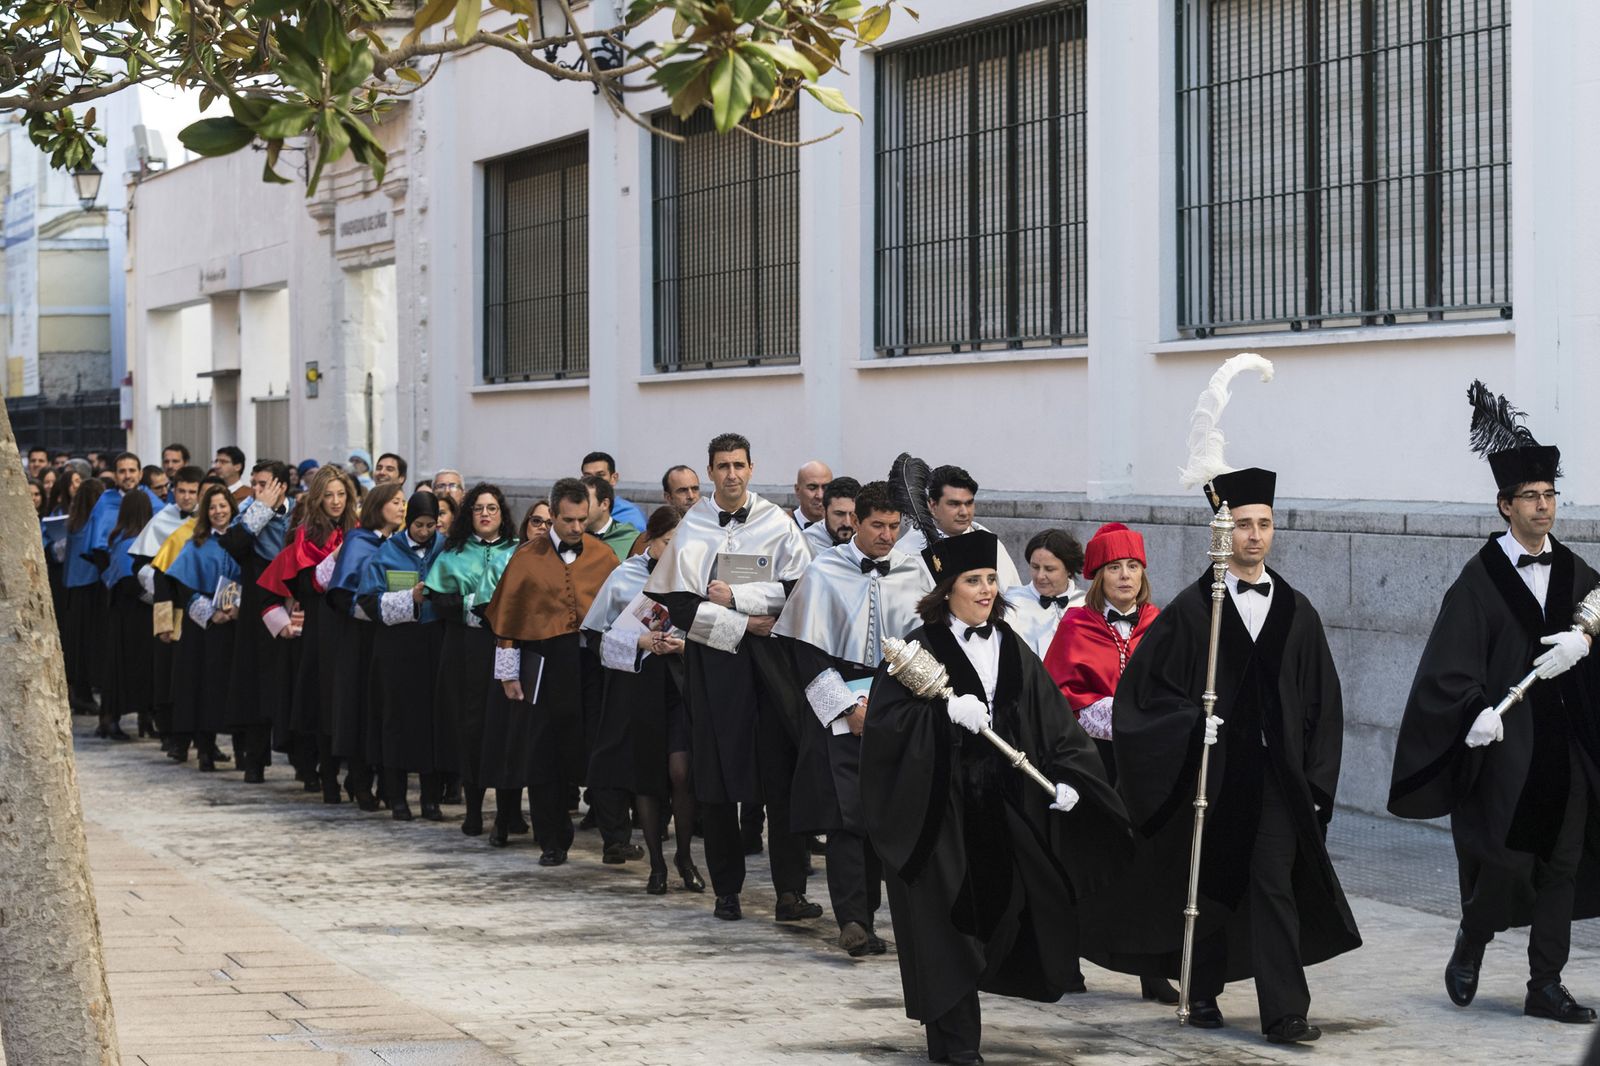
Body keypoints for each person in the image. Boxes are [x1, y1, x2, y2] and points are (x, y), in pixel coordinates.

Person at [1089, 459, 1359, 1044]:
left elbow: (1323, 705)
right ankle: (1202, 987)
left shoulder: (1298, 610)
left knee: (1274, 885)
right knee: (1209, 881)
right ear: (1222, 531)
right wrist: (1191, 724)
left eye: (1263, 523)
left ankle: (1285, 1010)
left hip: (1277, 779)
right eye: (1242, 524)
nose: (1254, 535)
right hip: (1210, 776)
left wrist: (1317, 783)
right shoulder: (1194, 609)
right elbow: (1143, 695)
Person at [860, 529, 1130, 1066]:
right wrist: (941, 716)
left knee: (1023, 903)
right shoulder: (918, 651)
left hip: (1008, 805)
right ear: (946, 590)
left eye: (990, 580)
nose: (985, 590)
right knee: (944, 926)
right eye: (972, 581)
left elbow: (1053, 722)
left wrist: (1073, 776)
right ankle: (956, 1042)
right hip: (941, 812)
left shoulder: (1012, 646)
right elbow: (886, 730)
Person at [1390, 381, 1600, 1024]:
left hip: (1565, 745)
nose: (1544, 507)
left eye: (1550, 496)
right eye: (1531, 498)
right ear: (1505, 505)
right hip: (1507, 744)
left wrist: (1584, 644)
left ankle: (1545, 984)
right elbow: (1448, 664)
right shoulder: (1479, 580)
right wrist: (1472, 709)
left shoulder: (1578, 575)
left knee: (1562, 864)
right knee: (1507, 864)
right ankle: (1474, 936)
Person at [644, 432, 819, 923]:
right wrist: (740, 624)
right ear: (710, 471)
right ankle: (727, 889)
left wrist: (741, 600)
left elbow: (800, 588)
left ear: (751, 467)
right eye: (722, 466)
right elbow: (675, 600)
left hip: (770, 667)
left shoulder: (778, 524)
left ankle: (790, 892)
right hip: (715, 666)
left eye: (739, 465)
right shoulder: (692, 525)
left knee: (780, 776)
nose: (732, 474)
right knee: (718, 778)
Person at [778, 480, 930, 956]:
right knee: (846, 818)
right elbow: (802, 647)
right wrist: (845, 707)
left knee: (886, 815)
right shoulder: (824, 570)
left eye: (894, 526)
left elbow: (928, 643)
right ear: (855, 523)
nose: (887, 536)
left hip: (898, 702)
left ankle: (880, 914)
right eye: (877, 526)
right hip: (840, 701)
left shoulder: (915, 572)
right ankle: (853, 919)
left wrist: (901, 704)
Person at [482, 479, 619, 865]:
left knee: (600, 746)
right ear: (553, 515)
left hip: (592, 663)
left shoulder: (603, 555)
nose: (577, 528)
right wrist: (508, 674)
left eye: (582, 520)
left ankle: (614, 836)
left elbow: (622, 608)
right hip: (544, 662)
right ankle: (552, 839)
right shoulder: (527, 557)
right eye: (569, 520)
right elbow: (506, 621)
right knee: (545, 752)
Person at [584, 505, 707, 892]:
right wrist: (639, 641)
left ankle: (685, 856)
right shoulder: (625, 576)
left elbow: (713, 630)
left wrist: (683, 645)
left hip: (680, 684)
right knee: (647, 776)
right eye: (668, 542)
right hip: (639, 685)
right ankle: (657, 863)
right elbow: (595, 636)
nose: (673, 551)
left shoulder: (693, 578)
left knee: (681, 773)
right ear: (650, 540)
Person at [425, 483, 518, 836]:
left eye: (492, 508)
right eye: (478, 508)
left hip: (507, 646)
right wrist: (469, 605)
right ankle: (475, 809)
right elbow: (438, 599)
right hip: (467, 648)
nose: (485, 514)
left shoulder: (517, 552)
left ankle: (509, 811)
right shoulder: (453, 553)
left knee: (508, 725)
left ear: (502, 514)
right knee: (472, 725)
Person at [259, 465, 356, 799]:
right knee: (323, 708)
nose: (336, 501)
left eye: (341, 494)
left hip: (353, 629)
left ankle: (355, 777)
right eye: (328, 495)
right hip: (318, 631)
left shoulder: (358, 532)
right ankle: (326, 777)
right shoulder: (305, 537)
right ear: (317, 498)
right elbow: (291, 587)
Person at [358, 491, 448, 821]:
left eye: (430, 525)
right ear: (408, 523)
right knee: (395, 718)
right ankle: (396, 796)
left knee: (431, 720)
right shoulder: (387, 552)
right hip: (396, 645)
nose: (425, 532)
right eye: (419, 525)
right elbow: (367, 600)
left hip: (434, 642)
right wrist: (408, 597)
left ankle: (431, 798)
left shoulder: (445, 548)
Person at [1044, 523, 1155, 783]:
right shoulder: (1076, 625)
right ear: (1100, 576)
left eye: (1133, 566)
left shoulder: (1158, 623)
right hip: (1093, 755)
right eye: (1114, 567)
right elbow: (1055, 694)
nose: (1125, 576)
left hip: (1148, 752)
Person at [323, 481, 407, 809]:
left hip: (390, 636)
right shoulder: (358, 541)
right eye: (395, 502)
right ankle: (360, 782)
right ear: (378, 505)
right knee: (360, 708)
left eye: (403, 502)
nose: (401, 507)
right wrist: (375, 611)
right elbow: (341, 592)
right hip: (360, 636)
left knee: (385, 710)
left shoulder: (401, 544)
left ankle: (388, 782)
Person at [215, 460, 294, 783]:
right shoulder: (247, 513)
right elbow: (234, 544)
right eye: (255, 484)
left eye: (263, 485)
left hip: (293, 605)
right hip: (255, 613)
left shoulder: (298, 515)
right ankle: (255, 760)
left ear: (282, 487)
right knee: (256, 687)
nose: (256, 491)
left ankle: (305, 763)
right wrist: (260, 509)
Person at [164, 483, 243, 771]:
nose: (218, 511)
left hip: (235, 621)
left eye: (223, 506)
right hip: (204, 627)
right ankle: (205, 749)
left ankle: (241, 751)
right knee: (202, 686)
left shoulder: (240, 542)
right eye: (212, 507)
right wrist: (210, 614)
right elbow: (184, 586)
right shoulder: (195, 544)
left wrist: (236, 608)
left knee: (232, 686)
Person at [897, 464, 1022, 590]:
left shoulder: (988, 542)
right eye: (954, 504)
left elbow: (1013, 598)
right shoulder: (907, 554)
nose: (964, 512)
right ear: (933, 506)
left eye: (968, 503)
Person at [99, 489, 156, 741]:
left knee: (120, 666)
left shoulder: (119, 537)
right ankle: (124, 719)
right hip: (137, 613)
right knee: (137, 666)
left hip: (121, 614)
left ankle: (118, 718)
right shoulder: (133, 542)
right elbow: (130, 582)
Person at [61, 478, 107, 714]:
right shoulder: (95, 523)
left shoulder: (73, 524)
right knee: (91, 642)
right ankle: (86, 693)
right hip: (92, 587)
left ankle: (79, 692)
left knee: (76, 643)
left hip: (73, 587)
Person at [1004, 529, 1086, 660]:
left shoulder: (1087, 604)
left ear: (1069, 569)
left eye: (1049, 569)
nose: (1040, 576)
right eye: (1035, 567)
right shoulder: (1011, 603)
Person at [582, 474, 640, 562]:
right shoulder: (568, 535)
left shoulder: (631, 538)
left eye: (584, 501)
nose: (577, 508)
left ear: (605, 504)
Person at [582, 451, 647, 529]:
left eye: (600, 475)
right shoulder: (575, 511)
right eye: (588, 477)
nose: (594, 482)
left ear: (614, 478)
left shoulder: (630, 515)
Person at [801, 476, 858, 555]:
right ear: (824, 511)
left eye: (853, 515)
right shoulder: (804, 544)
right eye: (839, 514)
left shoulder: (870, 539)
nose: (847, 523)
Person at [791, 460, 832, 531]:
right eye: (812, 488)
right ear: (797, 490)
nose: (820, 495)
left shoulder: (844, 526)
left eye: (826, 488)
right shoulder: (782, 526)